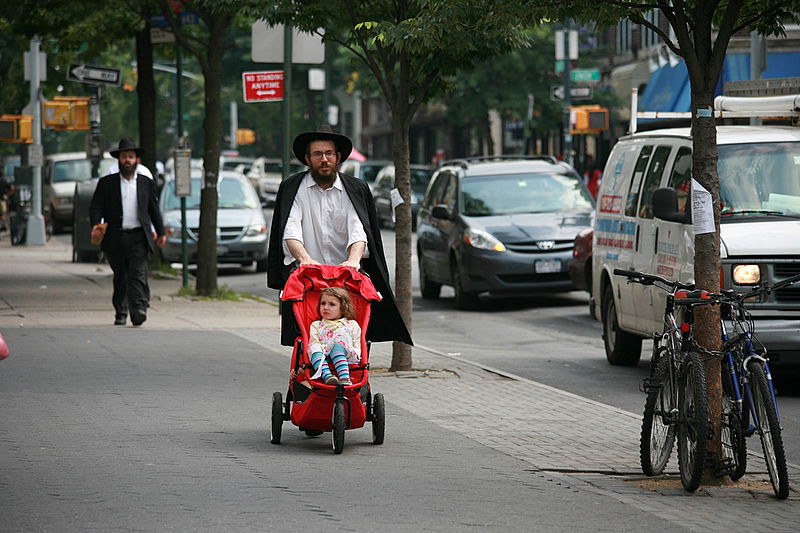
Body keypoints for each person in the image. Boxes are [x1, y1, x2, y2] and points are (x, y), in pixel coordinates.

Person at [267, 128, 412, 347]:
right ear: (308, 159)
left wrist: (354, 260)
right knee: (307, 338)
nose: (324, 159)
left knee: (355, 336)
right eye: (317, 154)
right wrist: (305, 259)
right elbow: (290, 230)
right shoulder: (293, 188)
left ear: (338, 157)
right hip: (309, 278)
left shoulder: (354, 188)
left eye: (329, 153)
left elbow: (359, 228)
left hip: (346, 278)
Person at [90, 139, 166, 326]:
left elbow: (153, 209)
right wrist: (96, 225)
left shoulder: (146, 183)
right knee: (121, 275)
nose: (127, 160)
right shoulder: (107, 183)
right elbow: (96, 207)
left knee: (137, 273)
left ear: (136, 160)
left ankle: (138, 309)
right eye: (124, 157)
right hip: (115, 236)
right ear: (119, 159)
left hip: (139, 236)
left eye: (131, 157)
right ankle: (120, 311)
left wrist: (161, 232)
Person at [305, 287, 361, 386]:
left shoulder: (351, 324)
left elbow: (356, 343)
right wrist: (321, 349)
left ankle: (344, 378)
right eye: (323, 303)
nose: (326, 307)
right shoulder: (317, 325)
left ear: (343, 307)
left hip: (345, 356)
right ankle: (328, 377)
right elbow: (314, 342)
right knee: (314, 348)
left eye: (332, 304)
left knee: (338, 345)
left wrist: (357, 353)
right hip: (323, 356)